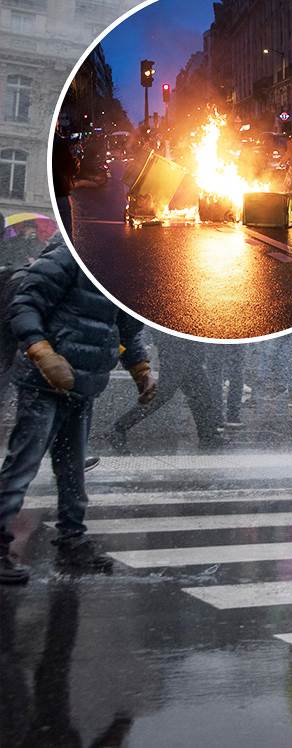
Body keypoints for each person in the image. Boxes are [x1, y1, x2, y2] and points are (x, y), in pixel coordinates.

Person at [1, 241, 155, 584]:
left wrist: (140, 367)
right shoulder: (68, 257)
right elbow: (24, 305)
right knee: (22, 467)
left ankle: (73, 541)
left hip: (83, 383)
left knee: (73, 470)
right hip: (44, 383)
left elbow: (127, 326)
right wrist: (41, 352)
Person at [107, 332, 223, 452]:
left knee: (201, 392)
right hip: (175, 347)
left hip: (187, 348)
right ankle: (118, 428)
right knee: (163, 394)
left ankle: (209, 436)